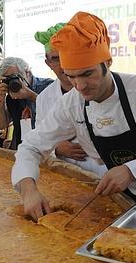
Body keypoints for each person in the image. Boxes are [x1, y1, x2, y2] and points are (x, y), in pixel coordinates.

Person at [11, 12, 136, 220]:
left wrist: (130, 171)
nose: (79, 86)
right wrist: (28, 190)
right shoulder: (72, 103)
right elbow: (31, 146)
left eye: (87, 74)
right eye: (71, 76)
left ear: (107, 62)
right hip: (126, 205)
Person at [34, 23, 106, 177]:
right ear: (48, 62)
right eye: (55, 58)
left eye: (65, 56)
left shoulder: (99, 89)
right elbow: (39, 140)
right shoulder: (44, 98)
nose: (63, 64)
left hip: (104, 174)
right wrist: (57, 148)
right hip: (65, 176)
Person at [0, 57, 53, 149]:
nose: (12, 82)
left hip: (48, 147)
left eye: (15, 77)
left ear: (27, 72)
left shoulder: (48, 86)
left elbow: (59, 112)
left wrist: (31, 96)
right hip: (23, 148)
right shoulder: (11, 96)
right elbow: (0, 125)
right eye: (8, 79)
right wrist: (0, 99)